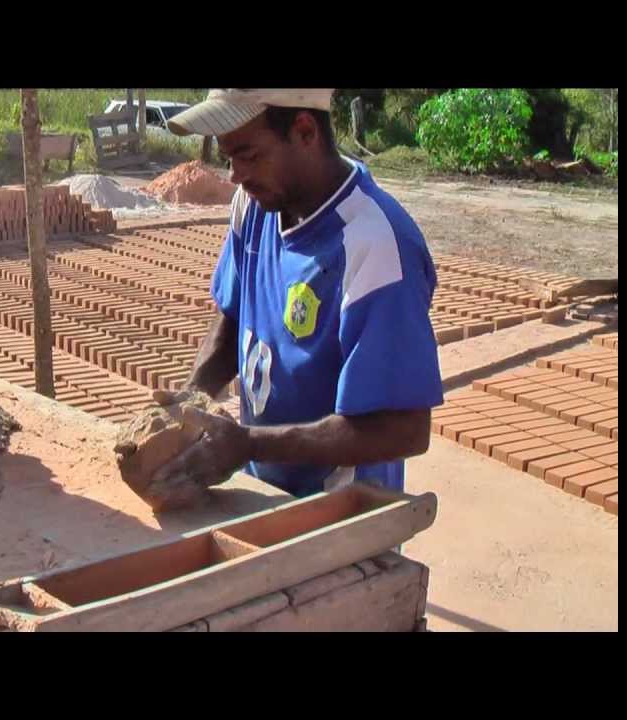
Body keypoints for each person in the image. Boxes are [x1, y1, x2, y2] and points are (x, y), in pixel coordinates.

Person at [153, 89, 443, 499]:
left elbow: (404, 429)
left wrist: (248, 444)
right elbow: (234, 315)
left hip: (341, 519)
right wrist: (193, 398)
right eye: (227, 157)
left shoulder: (375, 243)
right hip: (263, 491)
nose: (234, 175)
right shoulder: (254, 204)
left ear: (305, 131)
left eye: (249, 155)